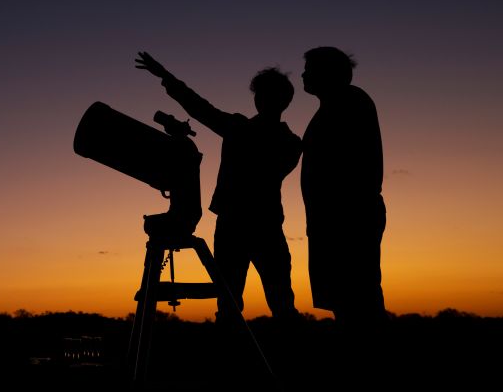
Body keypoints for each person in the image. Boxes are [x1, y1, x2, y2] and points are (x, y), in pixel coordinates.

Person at [136, 51, 302, 321]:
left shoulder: (242, 129)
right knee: (273, 301)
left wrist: (165, 76)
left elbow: (199, 108)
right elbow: (198, 107)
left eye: (263, 94)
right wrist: (165, 77)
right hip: (263, 226)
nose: (259, 99)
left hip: (239, 226)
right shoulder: (291, 143)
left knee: (238, 303)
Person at [300, 46, 387, 329]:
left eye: (310, 69)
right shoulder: (333, 106)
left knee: (358, 300)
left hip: (348, 220)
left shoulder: (350, 101)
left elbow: (350, 166)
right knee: (345, 301)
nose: (304, 74)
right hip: (332, 221)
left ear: (328, 73)